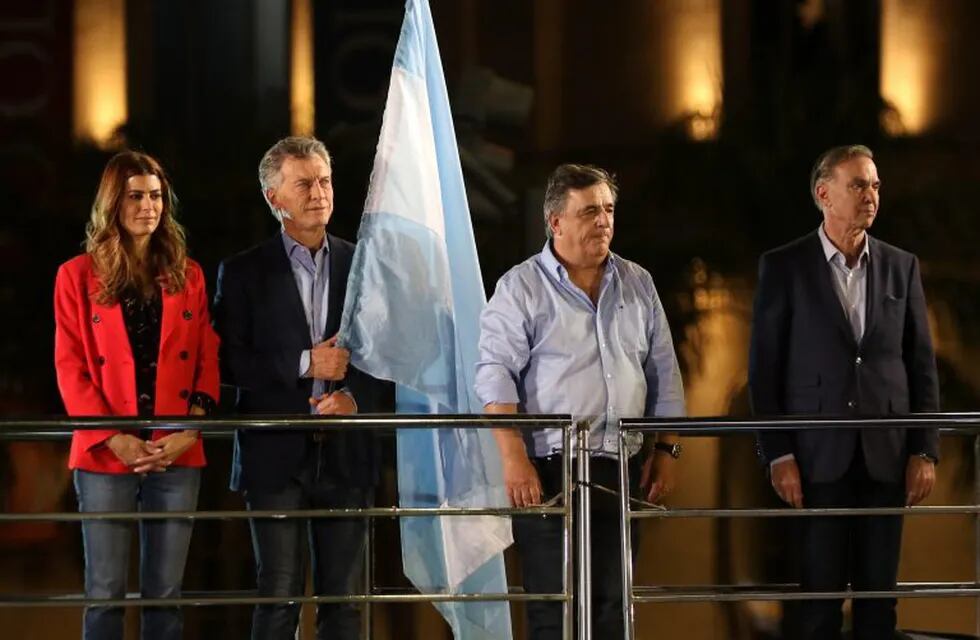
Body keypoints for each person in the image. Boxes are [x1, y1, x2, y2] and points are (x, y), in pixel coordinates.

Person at [475, 163, 686, 639]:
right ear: (556, 222)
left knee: (613, 605)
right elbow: (494, 377)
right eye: (590, 211)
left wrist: (667, 450)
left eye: (609, 210)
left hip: (621, 467)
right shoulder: (520, 287)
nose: (604, 221)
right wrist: (513, 461)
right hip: (551, 470)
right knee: (555, 608)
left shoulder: (638, 282)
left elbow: (664, 374)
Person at [749, 144, 940, 639]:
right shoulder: (784, 266)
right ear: (824, 194)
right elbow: (765, 371)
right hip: (816, 458)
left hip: (888, 455)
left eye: (875, 185)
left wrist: (925, 448)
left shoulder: (902, 266)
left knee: (880, 602)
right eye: (858, 185)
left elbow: (921, 364)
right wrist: (778, 454)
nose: (871, 195)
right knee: (819, 603)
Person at [213, 136, 391, 640]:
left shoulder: (364, 265)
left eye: (325, 181)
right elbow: (228, 360)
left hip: (345, 455)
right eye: (304, 183)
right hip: (273, 454)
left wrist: (354, 397)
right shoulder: (244, 272)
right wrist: (304, 361)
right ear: (275, 199)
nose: (319, 193)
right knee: (279, 597)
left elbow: (389, 354)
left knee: (345, 603)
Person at [54, 151, 220, 640]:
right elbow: (71, 369)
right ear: (112, 204)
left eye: (155, 196)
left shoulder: (188, 274)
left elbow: (207, 354)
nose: (148, 206)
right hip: (107, 453)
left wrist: (191, 428)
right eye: (135, 196)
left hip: (175, 452)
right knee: (104, 594)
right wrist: (113, 437)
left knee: (165, 597)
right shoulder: (75, 276)